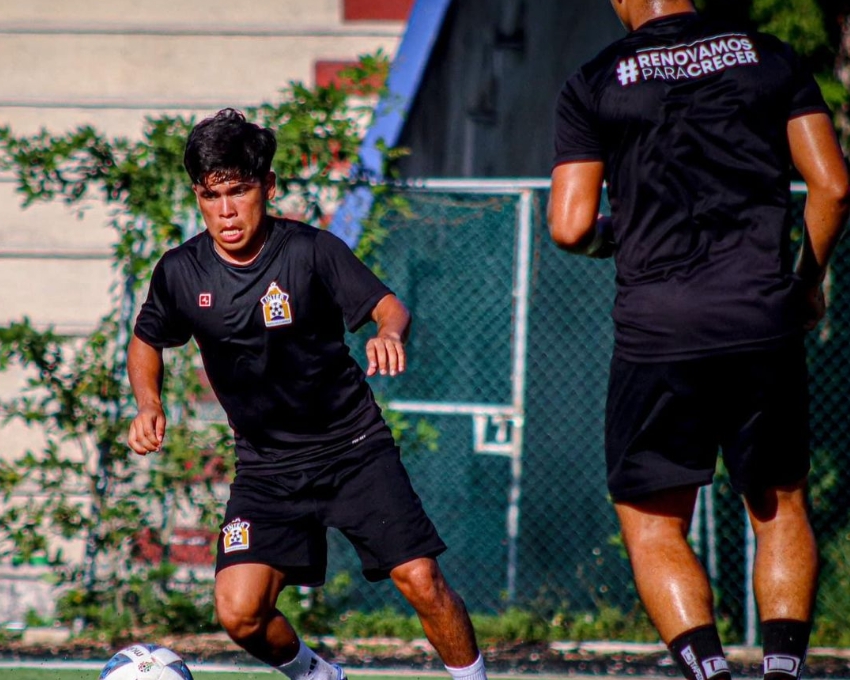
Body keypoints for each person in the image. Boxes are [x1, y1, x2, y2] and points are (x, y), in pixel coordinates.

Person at [126, 109, 486, 680]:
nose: (225, 211)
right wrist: (150, 403)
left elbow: (389, 307)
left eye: (239, 192)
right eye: (210, 196)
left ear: (267, 187)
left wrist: (389, 333)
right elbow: (146, 340)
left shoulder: (311, 252)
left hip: (353, 450)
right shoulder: (180, 272)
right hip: (266, 468)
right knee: (240, 613)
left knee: (420, 579)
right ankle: (320, 677)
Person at [549, 1, 849, 679]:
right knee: (779, 506)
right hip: (761, 318)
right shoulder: (769, 56)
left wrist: (615, 239)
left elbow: (569, 226)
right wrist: (806, 283)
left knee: (654, 523)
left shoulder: (595, 80)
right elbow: (832, 186)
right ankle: (781, 672)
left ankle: (710, 674)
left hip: (658, 328)